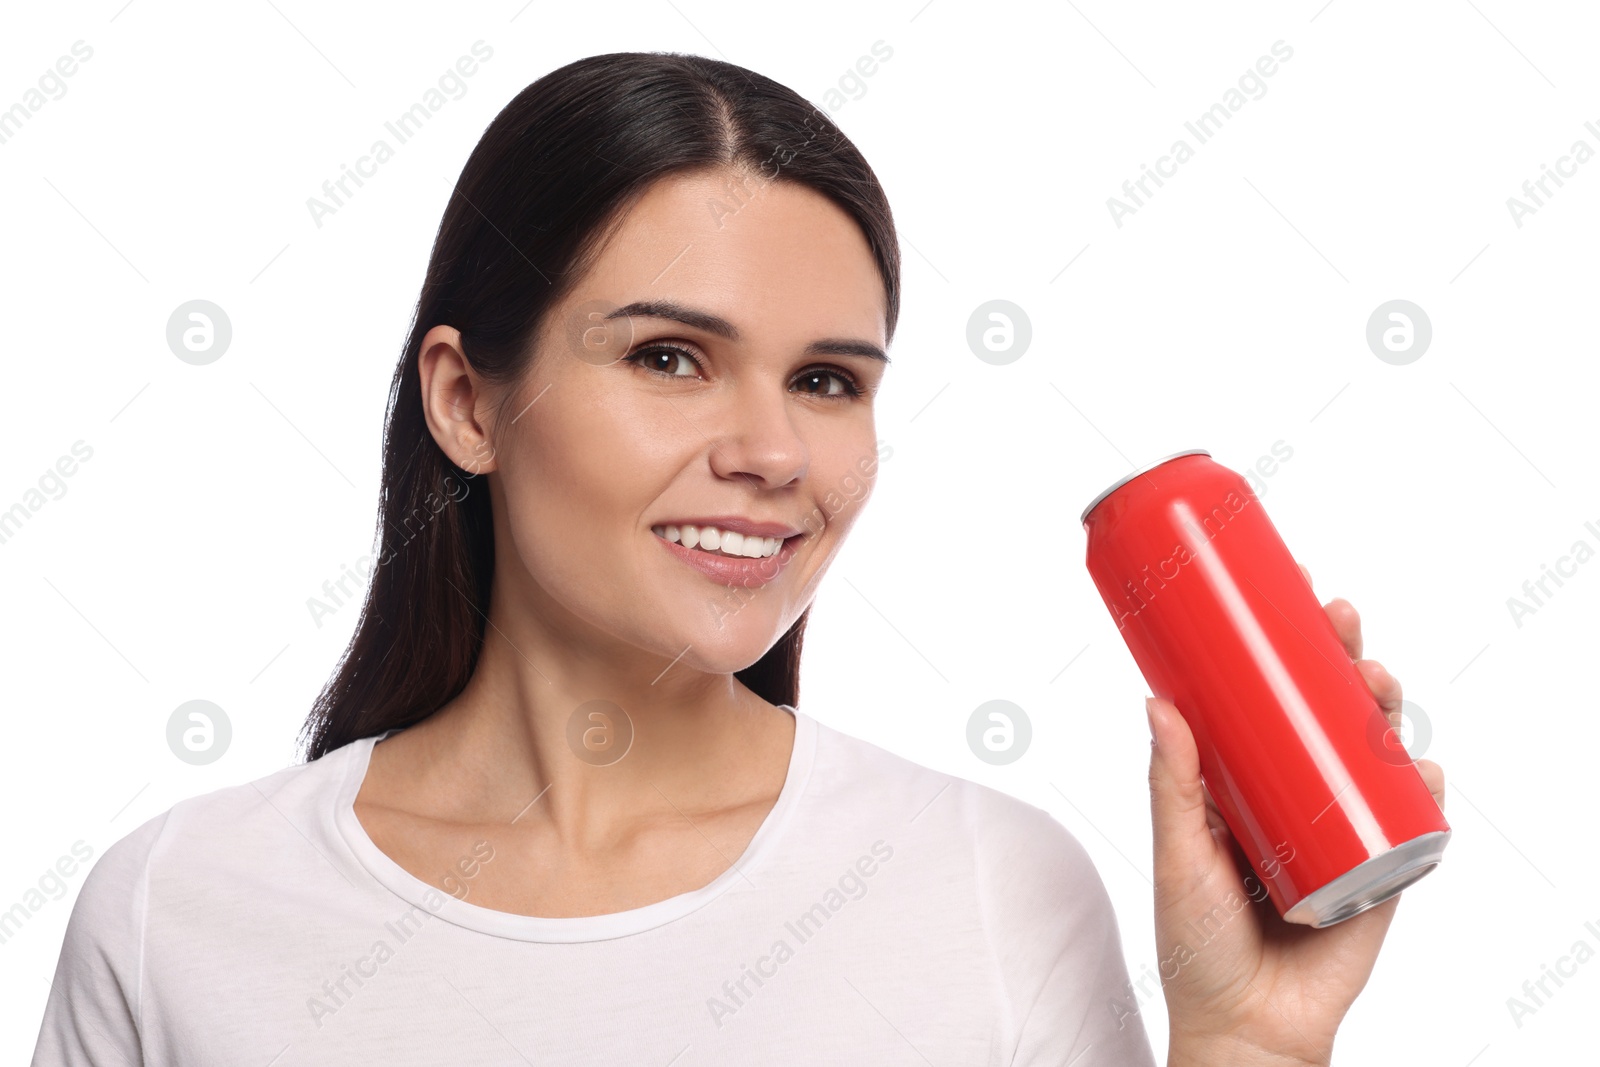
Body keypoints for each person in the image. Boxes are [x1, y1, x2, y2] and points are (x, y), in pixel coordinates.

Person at [32, 51, 1443, 1066]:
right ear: (468, 402)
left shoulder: (993, 891)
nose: (773, 451)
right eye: (669, 356)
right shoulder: (182, 913)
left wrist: (1247, 1045)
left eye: (830, 381)